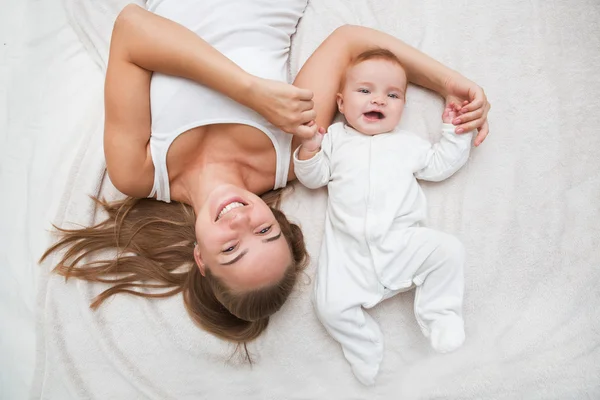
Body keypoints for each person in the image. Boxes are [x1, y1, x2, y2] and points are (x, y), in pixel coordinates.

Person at [41, 0, 491, 358]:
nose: (241, 222)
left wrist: (248, 91)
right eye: (265, 231)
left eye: (231, 248)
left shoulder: (137, 172)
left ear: (200, 258)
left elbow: (131, 28)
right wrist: (449, 83)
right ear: (281, 223)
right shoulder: (290, 153)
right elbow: (349, 42)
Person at [293, 49, 473, 385]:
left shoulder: (408, 144)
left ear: (403, 107)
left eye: (393, 95)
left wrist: (454, 132)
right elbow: (313, 177)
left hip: (400, 242)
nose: (379, 99)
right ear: (341, 103)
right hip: (349, 255)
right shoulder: (334, 139)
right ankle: (364, 345)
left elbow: (439, 166)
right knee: (328, 305)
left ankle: (440, 314)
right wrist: (309, 149)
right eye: (365, 91)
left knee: (449, 251)